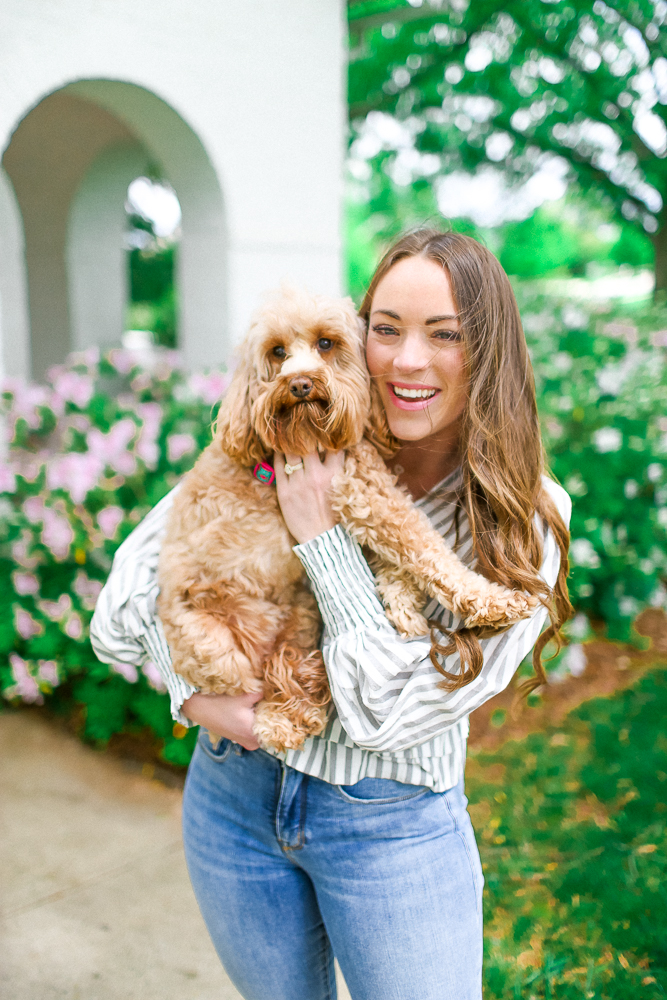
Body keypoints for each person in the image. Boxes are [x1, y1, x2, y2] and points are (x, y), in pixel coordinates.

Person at [90, 230, 572, 1000]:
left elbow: (379, 714)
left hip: (389, 831)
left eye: (443, 335)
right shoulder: (267, 455)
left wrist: (320, 534)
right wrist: (195, 694)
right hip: (232, 798)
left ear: (487, 353)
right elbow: (117, 614)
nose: (406, 360)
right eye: (385, 329)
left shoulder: (524, 521)